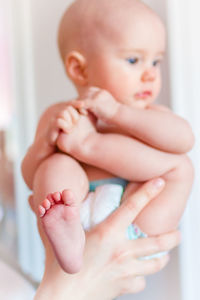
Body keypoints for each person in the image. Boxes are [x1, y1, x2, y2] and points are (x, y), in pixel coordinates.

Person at [21, 0, 194, 274]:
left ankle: (89, 148)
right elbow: (30, 174)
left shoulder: (150, 115)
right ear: (80, 69)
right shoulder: (62, 115)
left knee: (180, 165)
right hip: (79, 216)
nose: (150, 74)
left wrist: (115, 114)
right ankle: (68, 234)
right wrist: (45, 142)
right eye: (133, 60)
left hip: (139, 224)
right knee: (52, 167)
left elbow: (185, 139)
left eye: (156, 61)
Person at [34, 179, 181, 299]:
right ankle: (71, 254)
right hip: (136, 234)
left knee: (51, 168)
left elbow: (29, 168)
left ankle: (72, 253)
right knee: (180, 172)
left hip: (80, 212)